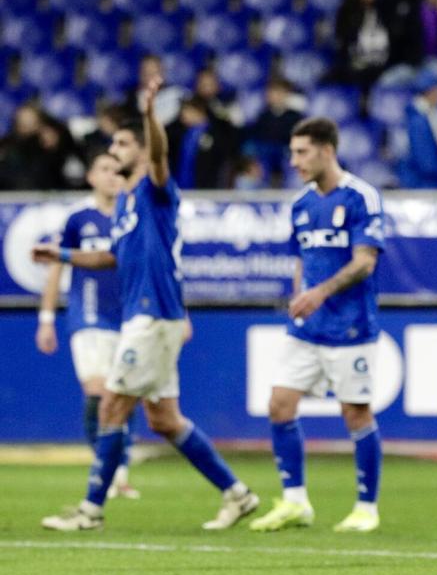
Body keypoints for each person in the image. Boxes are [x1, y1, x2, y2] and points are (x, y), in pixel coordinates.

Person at [35, 77, 259, 532]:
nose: (113, 149)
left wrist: (152, 113)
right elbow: (110, 257)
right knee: (164, 418)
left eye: (121, 142)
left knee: (112, 406)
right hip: (148, 316)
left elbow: (158, 155)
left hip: (152, 315)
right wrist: (59, 255)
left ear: (140, 148)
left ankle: (91, 510)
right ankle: (238, 494)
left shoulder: (155, 189)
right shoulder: (123, 206)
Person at [248, 117, 386, 534]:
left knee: (355, 413)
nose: (294, 161)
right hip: (308, 327)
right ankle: (295, 502)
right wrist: (300, 296)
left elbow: (365, 262)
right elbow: (301, 260)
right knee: (279, 404)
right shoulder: (301, 204)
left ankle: (367, 507)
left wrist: (319, 293)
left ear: (327, 150)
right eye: (292, 152)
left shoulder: (362, 196)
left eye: (302, 152)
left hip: (350, 326)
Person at [35, 152, 139, 500]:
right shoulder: (79, 218)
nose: (112, 176)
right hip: (89, 314)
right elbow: (56, 268)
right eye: (104, 169)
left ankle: (119, 469)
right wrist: (47, 318)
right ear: (91, 177)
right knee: (98, 391)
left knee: (124, 392)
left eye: (117, 170)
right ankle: (104, 468)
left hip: (127, 315)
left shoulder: (131, 217)